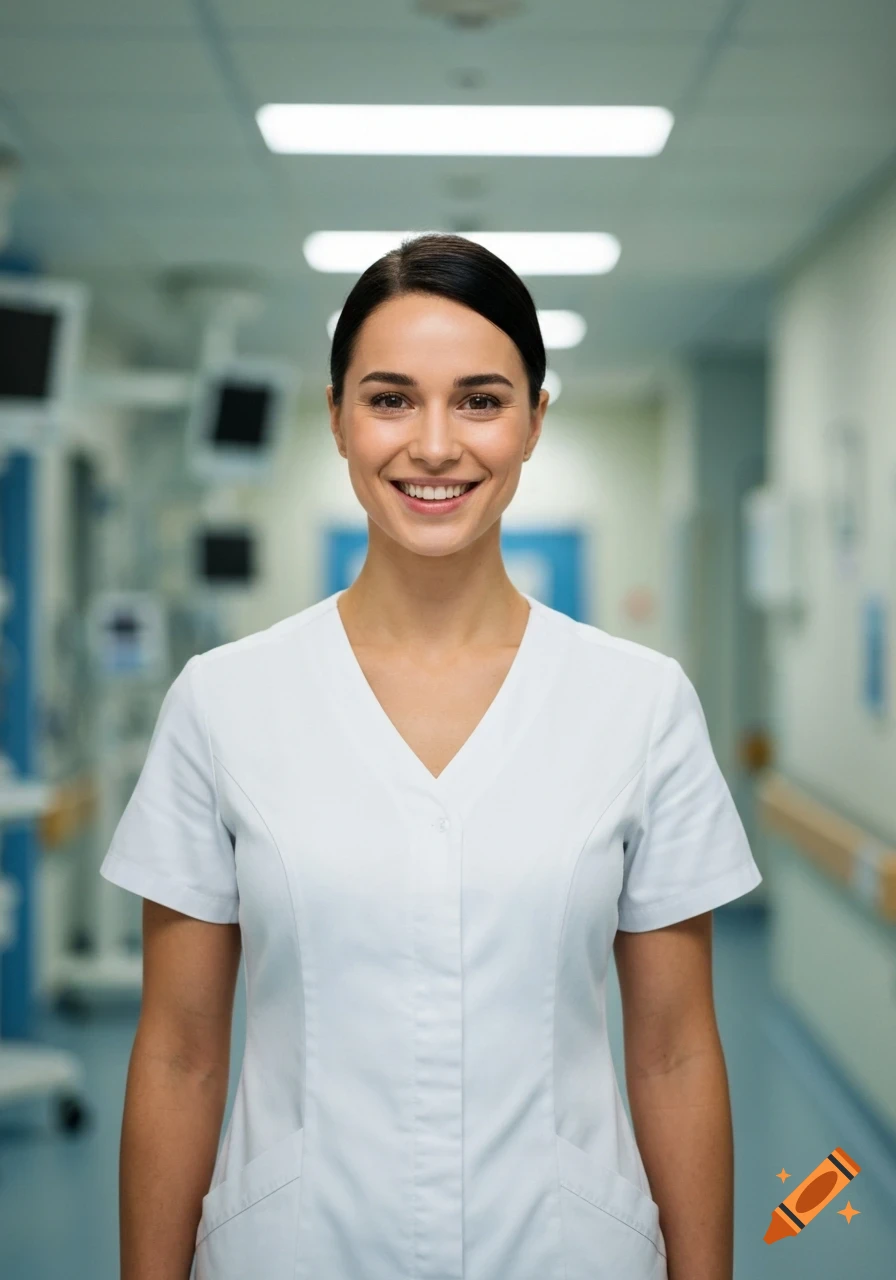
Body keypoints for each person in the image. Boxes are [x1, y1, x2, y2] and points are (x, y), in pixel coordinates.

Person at [101, 232, 762, 1280]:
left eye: (482, 399)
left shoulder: (637, 704)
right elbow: (180, 1049)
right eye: (391, 397)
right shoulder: (223, 702)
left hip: (561, 1249)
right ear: (336, 418)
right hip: (297, 1249)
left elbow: (675, 1046)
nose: (436, 444)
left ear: (536, 419)